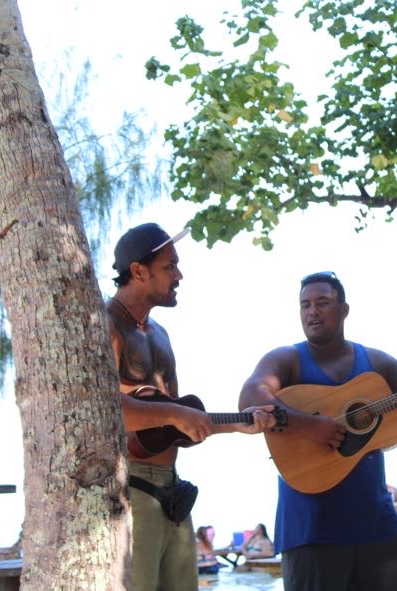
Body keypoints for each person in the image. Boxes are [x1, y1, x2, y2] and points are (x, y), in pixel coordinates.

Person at [238, 271, 397, 591]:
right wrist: (311, 425)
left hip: (377, 526)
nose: (312, 311)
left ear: (344, 310)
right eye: (305, 305)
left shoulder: (377, 364)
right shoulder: (287, 360)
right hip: (311, 529)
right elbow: (251, 396)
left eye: (323, 303)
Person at [106, 222, 276, 591]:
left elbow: (176, 422)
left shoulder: (161, 335)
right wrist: (175, 413)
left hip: (172, 489)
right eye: (170, 266)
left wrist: (236, 425)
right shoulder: (105, 325)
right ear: (138, 271)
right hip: (128, 490)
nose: (179, 275)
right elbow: (105, 411)